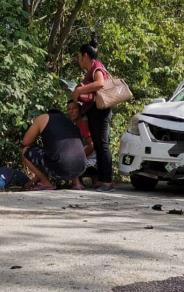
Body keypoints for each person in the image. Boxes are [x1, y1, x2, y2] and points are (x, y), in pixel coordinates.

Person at [72, 38, 114, 192]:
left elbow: (100, 83)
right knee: (98, 144)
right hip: (94, 111)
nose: (78, 60)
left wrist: (79, 91)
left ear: (85, 55)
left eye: (79, 56)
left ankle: (107, 181)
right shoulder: (90, 70)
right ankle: (102, 179)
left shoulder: (96, 67)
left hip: (101, 111)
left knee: (102, 144)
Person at [21, 103, 87, 191]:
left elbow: (25, 142)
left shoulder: (43, 118)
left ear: (49, 114)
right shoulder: (70, 122)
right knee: (70, 150)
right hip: (81, 167)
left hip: (60, 168)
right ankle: (77, 183)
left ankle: (46, 183)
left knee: (25, 151)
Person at [66, 101, 97, 189]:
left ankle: (77, 183)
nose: (71, 111)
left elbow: (91, 145)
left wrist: (78, 158)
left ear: (80, 110)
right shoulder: (76, 123)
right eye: (69, 109)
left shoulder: (83, 123)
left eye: (74, 108)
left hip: (92, 156)